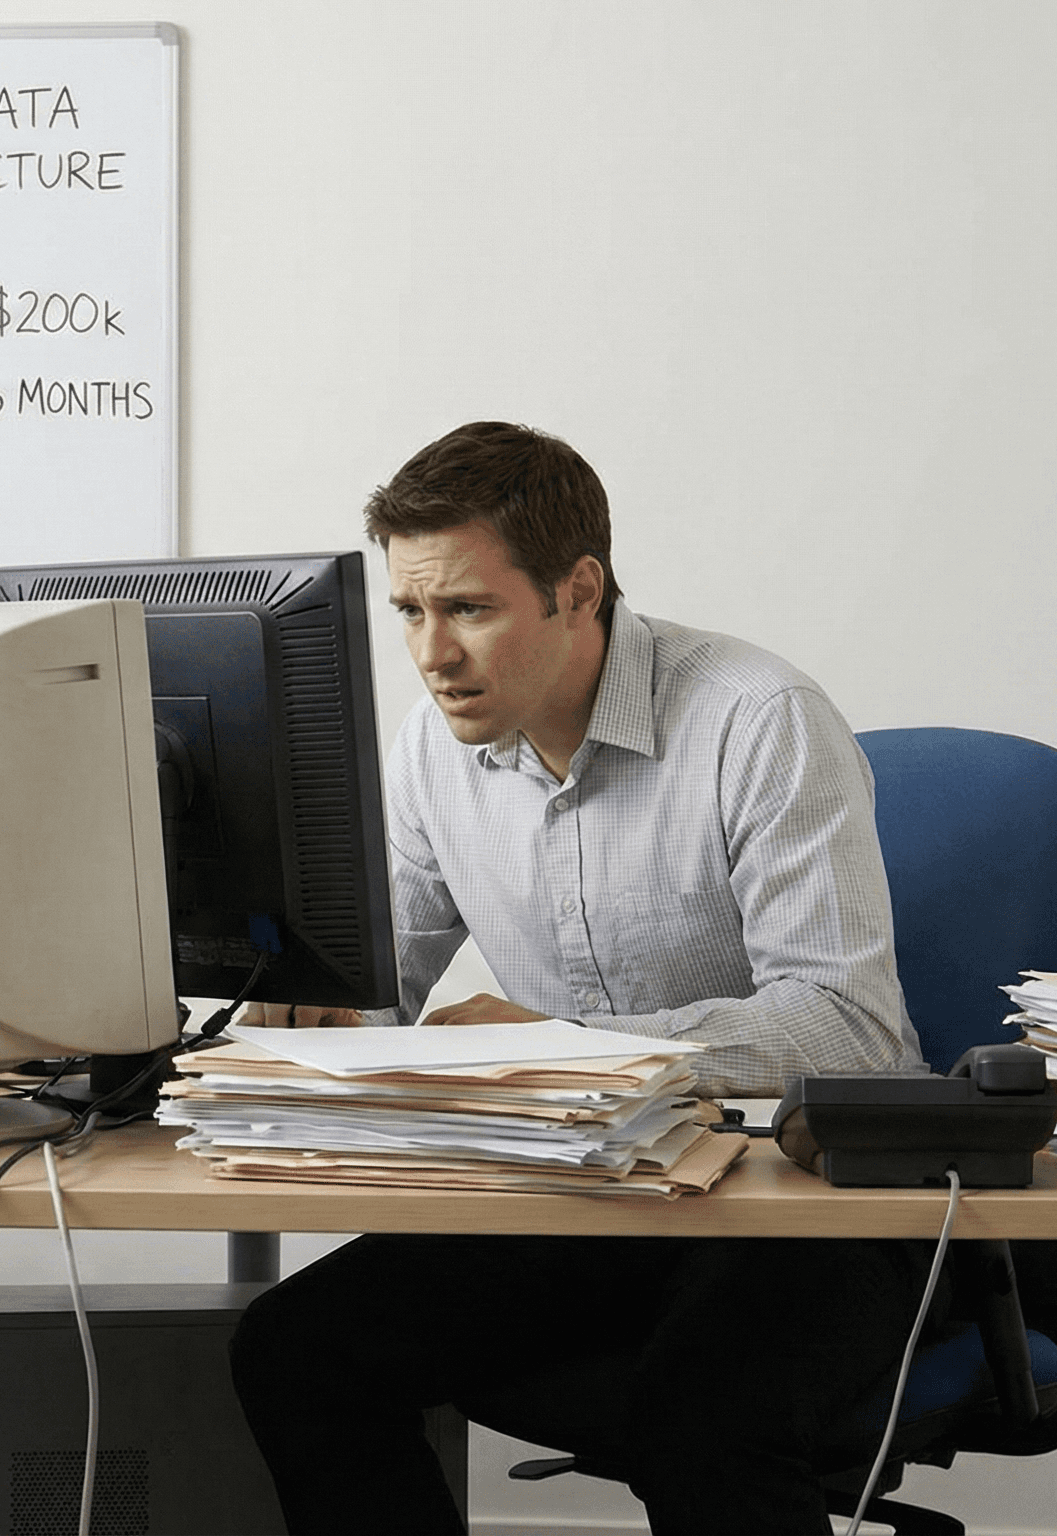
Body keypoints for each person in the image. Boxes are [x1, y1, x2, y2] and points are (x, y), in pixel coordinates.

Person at [226, 422, 928, 1535]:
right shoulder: (433, 751)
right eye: (408, 610)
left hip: (800, 1203)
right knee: (297, 1351)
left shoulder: (757, 720)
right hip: (594, 1188)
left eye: (468, 608)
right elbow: (375, 987)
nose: (430, 653)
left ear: (578, 590)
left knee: (702, 1418)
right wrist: (311, 1007)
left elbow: (851, 1029)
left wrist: (564, 1048)